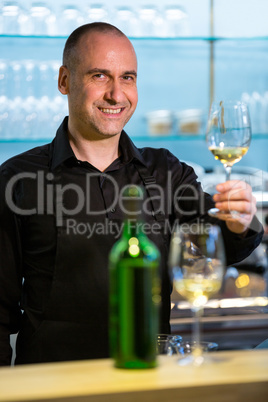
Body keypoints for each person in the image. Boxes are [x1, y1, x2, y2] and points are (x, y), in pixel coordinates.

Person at [0, 22, 263, 366]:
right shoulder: (19, 179)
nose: (116, 94)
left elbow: (218, 244)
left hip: (148, 377)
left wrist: (242, 220)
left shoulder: (167, 171)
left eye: (127, 77)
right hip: (54, 383)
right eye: (99, 76)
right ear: (65, 80)